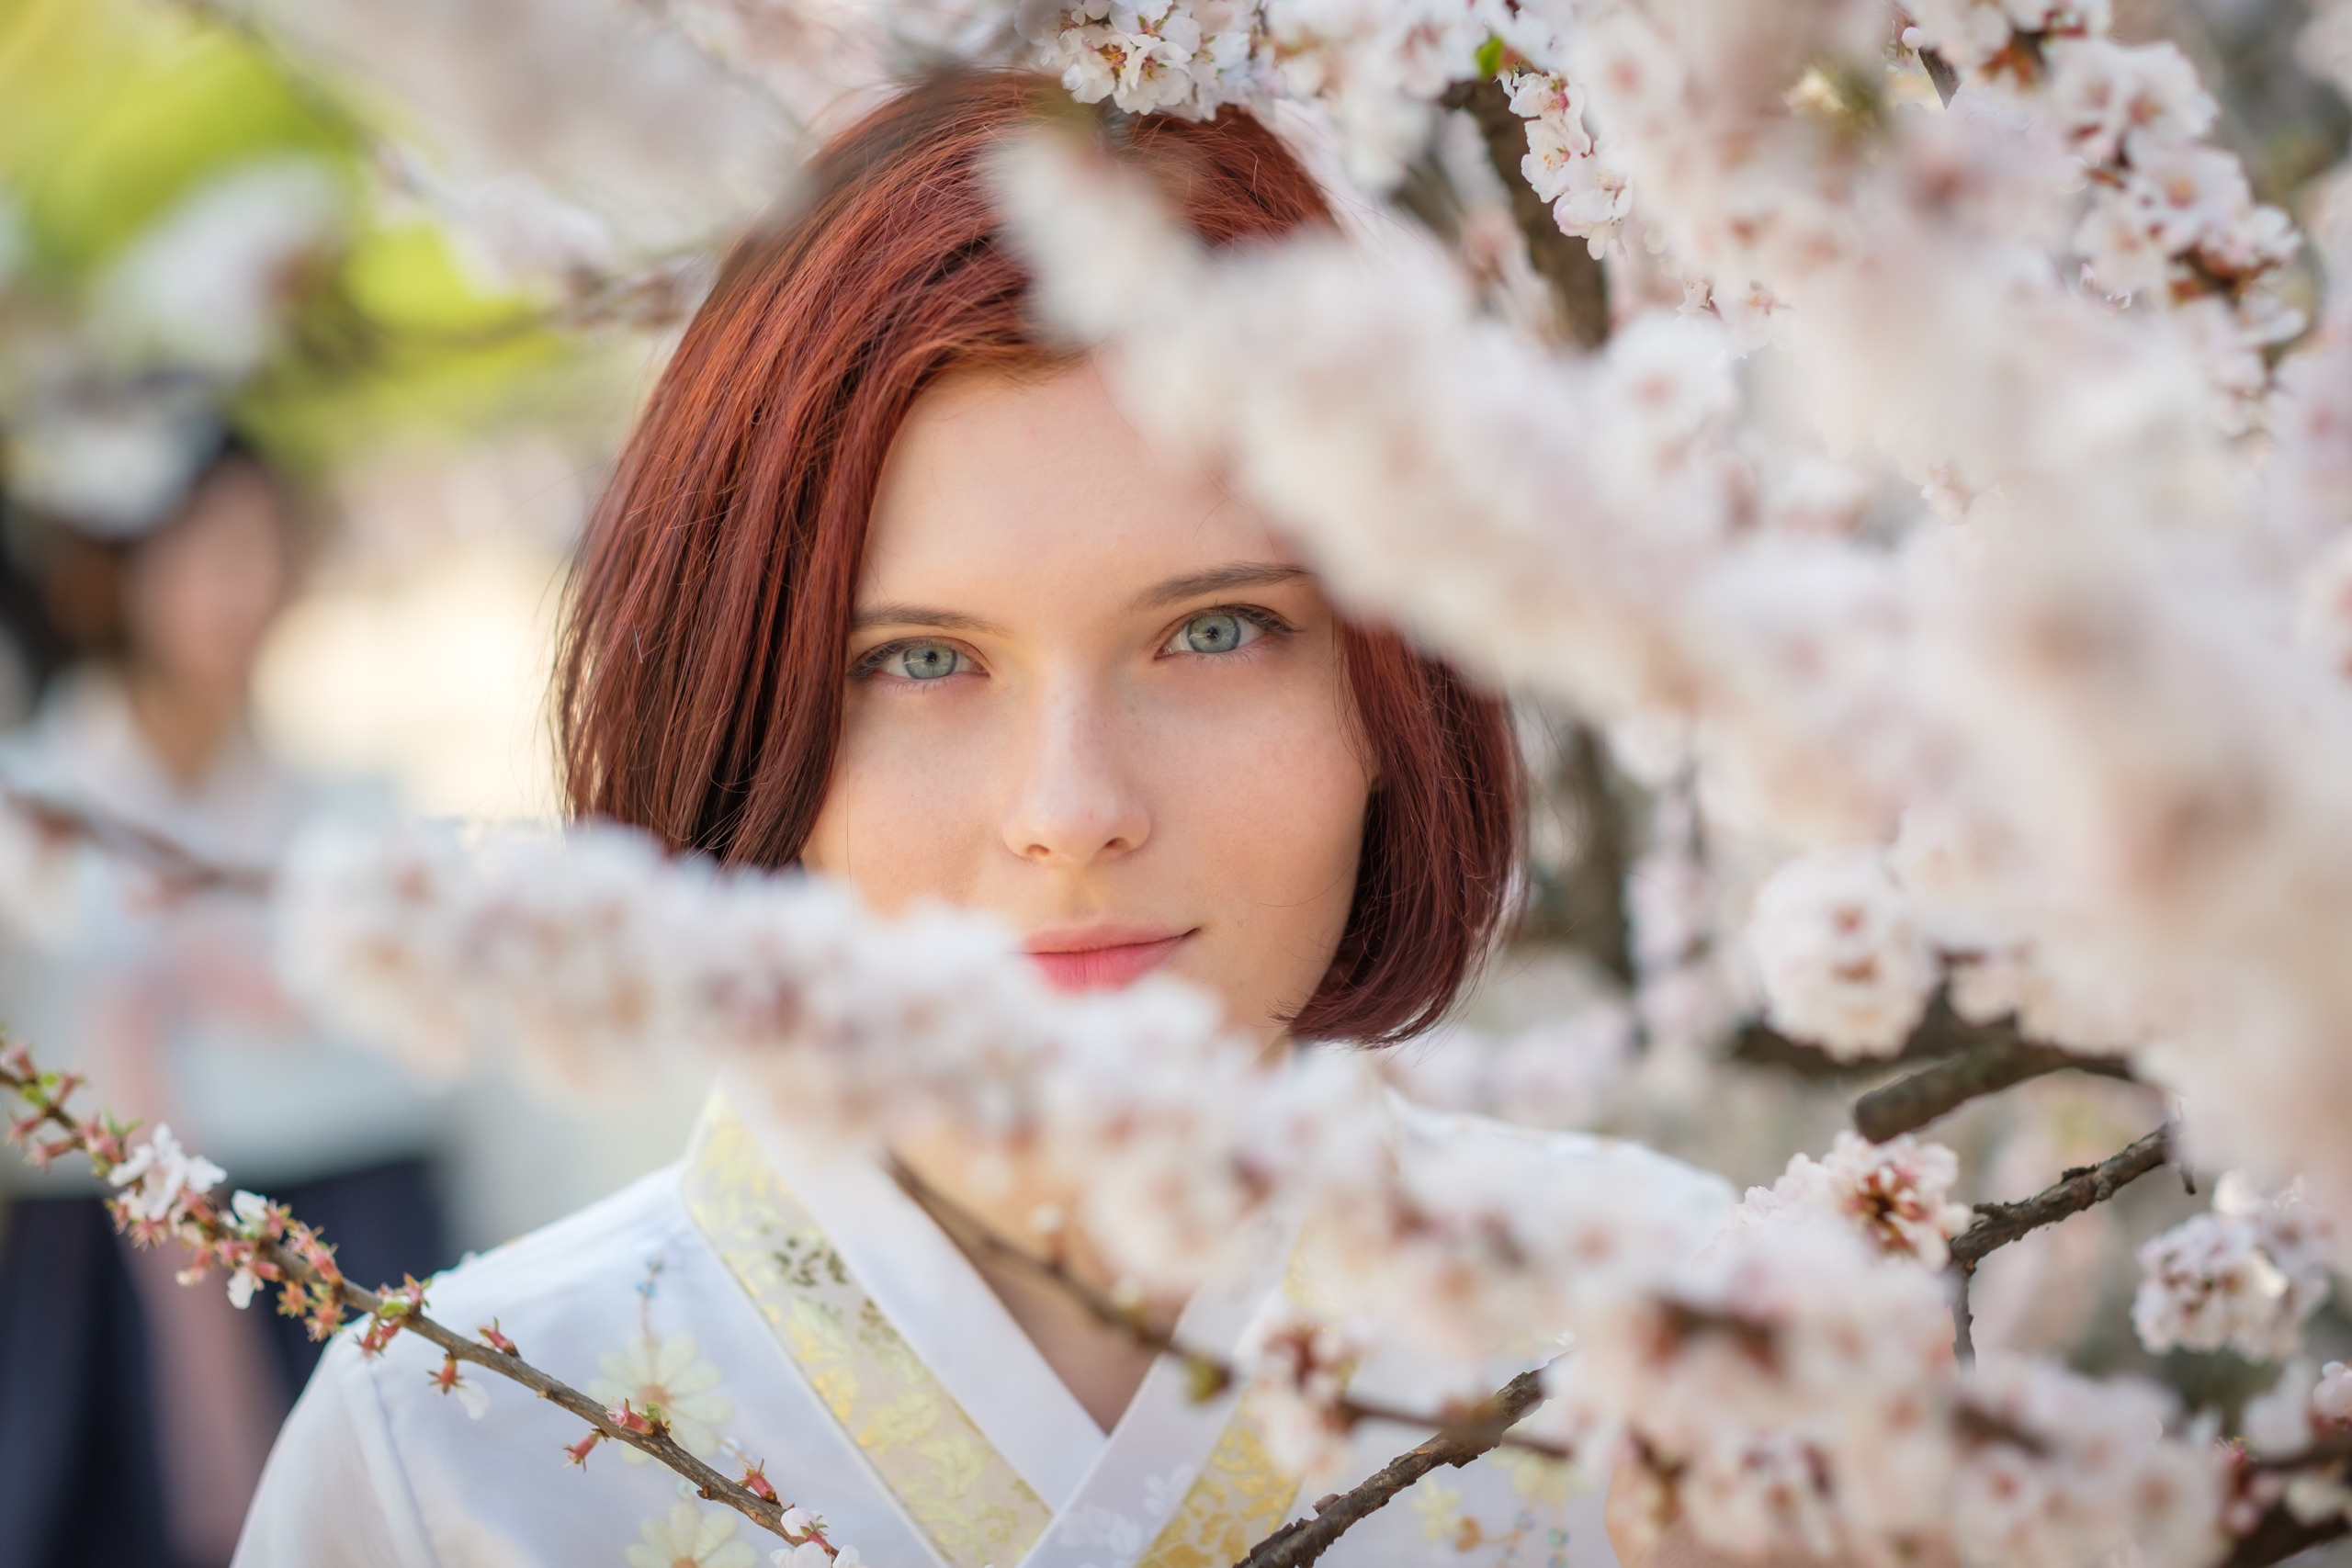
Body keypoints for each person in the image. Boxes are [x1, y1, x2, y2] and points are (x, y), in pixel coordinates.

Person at [232, 71, 1732, 1568]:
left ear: (1399, 681)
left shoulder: (1698, 1354)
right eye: (920, 662)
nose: (1071, 812)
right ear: (750, 710)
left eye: (1213, 633)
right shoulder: (459, 1458)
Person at [0, 440, 449, 1568]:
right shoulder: (33, 802)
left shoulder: (346, 818)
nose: (236, 591)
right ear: (125, 572)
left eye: (259, 551)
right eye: (203, 555)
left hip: (343, 1217)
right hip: (102, 1258)